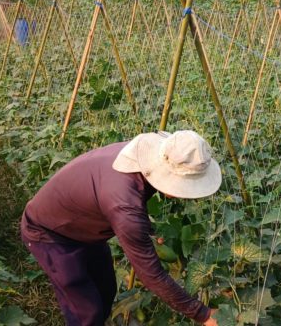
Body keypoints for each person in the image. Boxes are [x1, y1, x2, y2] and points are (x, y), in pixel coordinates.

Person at [20, 130, 221, 325]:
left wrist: (148, 230)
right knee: (86, 311)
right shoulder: (124, 206)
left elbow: (132, 203)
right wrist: (203, 315)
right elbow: (151, 275)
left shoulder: (151, 155)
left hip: (81, 225)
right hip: (48, 233)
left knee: (106, 290)